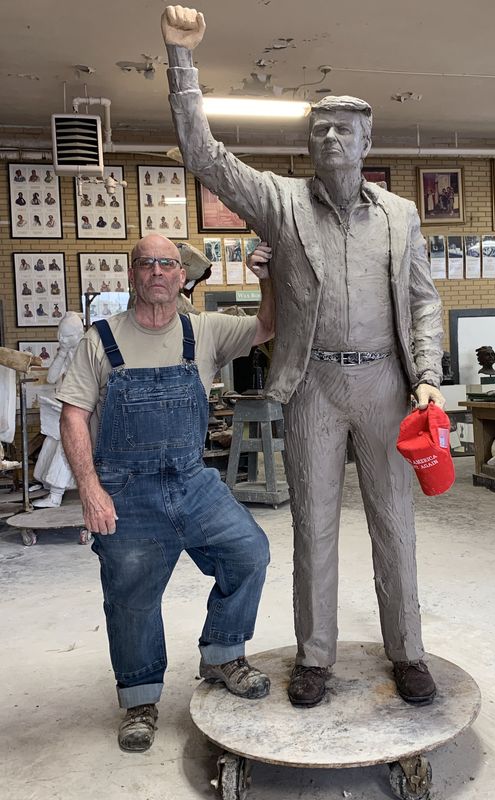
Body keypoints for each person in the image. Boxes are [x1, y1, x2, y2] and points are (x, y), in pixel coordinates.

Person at [161, 6, 445, 709]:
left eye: (343, 128)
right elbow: (204, 157)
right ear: (308, 143)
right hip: (314, 382)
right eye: (320, 129)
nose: (330, 137)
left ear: (367, 140)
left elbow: (423, 301)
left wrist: (429, 377)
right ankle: (314, 655)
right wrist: (182, 60)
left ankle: (407, 650)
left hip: (386, 386)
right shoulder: (279, 203)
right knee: (312, 526)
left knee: (394, 524)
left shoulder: (400, 215)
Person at [58, 232, 275, 752]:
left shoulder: (204, 330)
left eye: (167, 263)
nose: (157, 271)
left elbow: (268, 326)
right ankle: (139, 699)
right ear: (132, 275)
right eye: (146, 263)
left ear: (181, 276)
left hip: (192, 480)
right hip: (126, 489)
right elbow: (73, 415)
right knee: (131, 595)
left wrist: (266, 279)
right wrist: (89, 488)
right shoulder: (99, 340)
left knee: (248, 551)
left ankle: (223, 653)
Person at [32, 312, 85, 509]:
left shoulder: (88, 350)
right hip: (70, 404)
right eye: (59, 335)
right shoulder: (67, 351)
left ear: (78, 334)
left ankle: (56, 494)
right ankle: (44, 481)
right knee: (52, 438)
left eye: (66, 336)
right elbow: (52, 378)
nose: (61, 339)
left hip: (86, 410)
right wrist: (62, 353)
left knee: (68, 443)